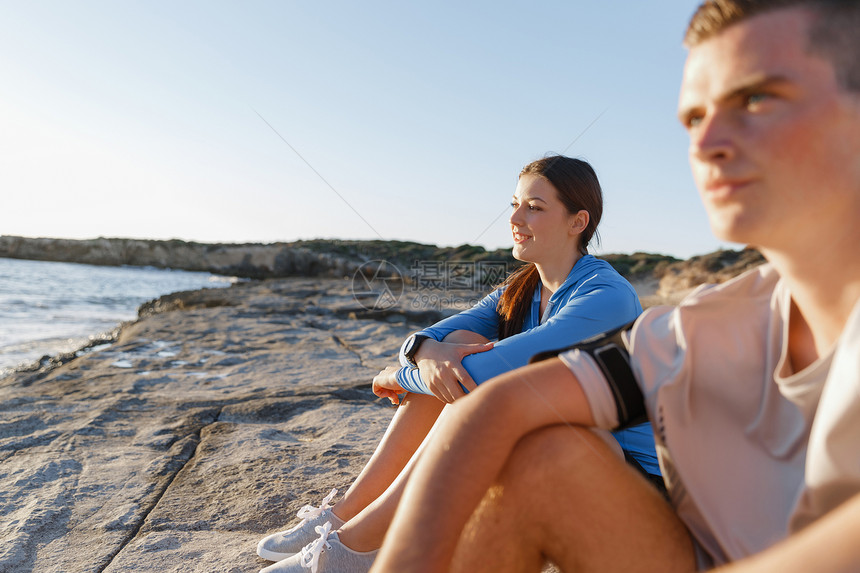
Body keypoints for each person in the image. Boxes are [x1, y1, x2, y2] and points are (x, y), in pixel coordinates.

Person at [370, 1, 860, 572]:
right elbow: (497, 404)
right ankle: (352, 545)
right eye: (695, 118)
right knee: (542, 450)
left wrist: (404, 368)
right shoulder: (710, 324)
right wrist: (417, 354)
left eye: (757, 98)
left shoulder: (606, 296)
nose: (705, 146)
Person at [256, 155, 659, 572]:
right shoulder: (521, 289)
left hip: (626, 481)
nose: (516, 217)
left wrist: (398, 377)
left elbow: (484, 379)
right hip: (566, 452)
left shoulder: (604, 297)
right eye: (514, 204)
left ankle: (358, 544)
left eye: (534, 208)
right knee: (461, 346)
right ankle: (346, 517)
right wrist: (419, 355)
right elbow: (435, 338)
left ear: (578, 222)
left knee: (472, 380)